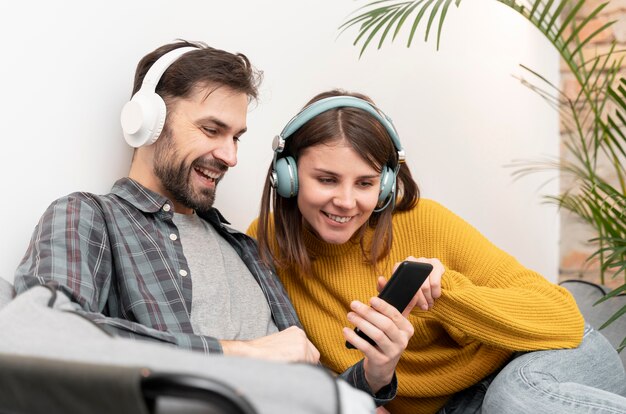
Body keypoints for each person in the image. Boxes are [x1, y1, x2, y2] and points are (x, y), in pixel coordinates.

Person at [12, 41, 397, 406]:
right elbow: (43, 332)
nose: (230, 156)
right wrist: (241, 353)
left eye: (236, 138)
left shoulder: (242, 245)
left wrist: (374, 375)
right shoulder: (90, 216)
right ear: (147, 122)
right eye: (211, 130)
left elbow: (303, 391)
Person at [247, 89, 626, 413]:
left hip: (544, 360)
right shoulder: (267, 246)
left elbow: (564, 319)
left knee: (513, 399)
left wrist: (449, 293)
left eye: (365, 183)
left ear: (385, 185)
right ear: (288, 176)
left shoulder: (425, 220)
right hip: (460, 407)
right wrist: (379, 371)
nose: (346, 201)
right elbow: (329, 389)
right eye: (326, 179)